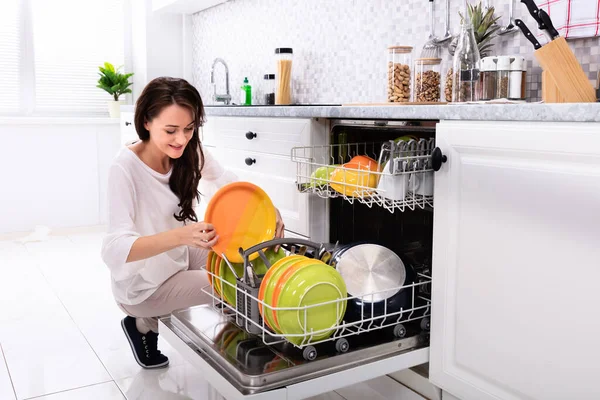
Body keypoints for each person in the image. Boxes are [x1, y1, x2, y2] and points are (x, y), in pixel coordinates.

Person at [101, 77, 285, 369]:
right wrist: (181, 236)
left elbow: (225, 181)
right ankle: (144, 323)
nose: (181, 139)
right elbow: (114, 250)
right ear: (146, 122)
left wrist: (268, 207)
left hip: (178, 256)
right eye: (171, 130)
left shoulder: (189, 151)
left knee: (247, 258)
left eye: (189, 129)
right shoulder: (124, 168)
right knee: (231, 287)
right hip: (143, 285)